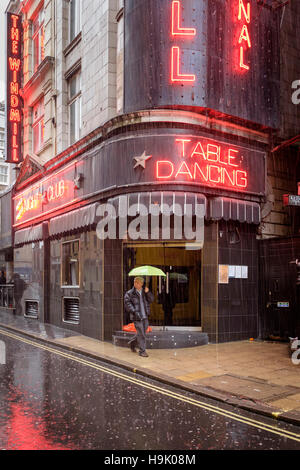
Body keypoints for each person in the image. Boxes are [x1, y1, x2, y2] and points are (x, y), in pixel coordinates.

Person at [124, 276, 154, 357]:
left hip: (145, 316)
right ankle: (142, 351)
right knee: (141, 334)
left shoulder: (145, 291)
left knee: (142, 333)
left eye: (138, 283)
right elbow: (127, 304)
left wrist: (148, 292)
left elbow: (151, 300)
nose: (136, 284)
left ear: (142, 284)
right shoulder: (129, 293)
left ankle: (132, 343)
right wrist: (134, 311)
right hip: (136, 317)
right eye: (135, 282)